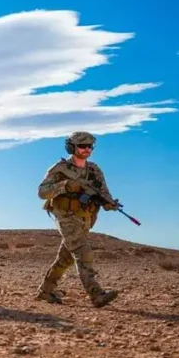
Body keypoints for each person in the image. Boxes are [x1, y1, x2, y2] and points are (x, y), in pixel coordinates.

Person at [35, 131, 120, 308]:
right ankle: (96, 294)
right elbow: (42, 192)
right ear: (71, 147)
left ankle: (46, 291)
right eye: (82, 146)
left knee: (66, 258)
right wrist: (65, 185)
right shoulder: (60, 169)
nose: (87, 149)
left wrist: (109, 203)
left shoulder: (94, 170)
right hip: (65, 216)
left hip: (86, 218)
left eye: (90, 146)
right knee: (83, 252)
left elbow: (104, 193)